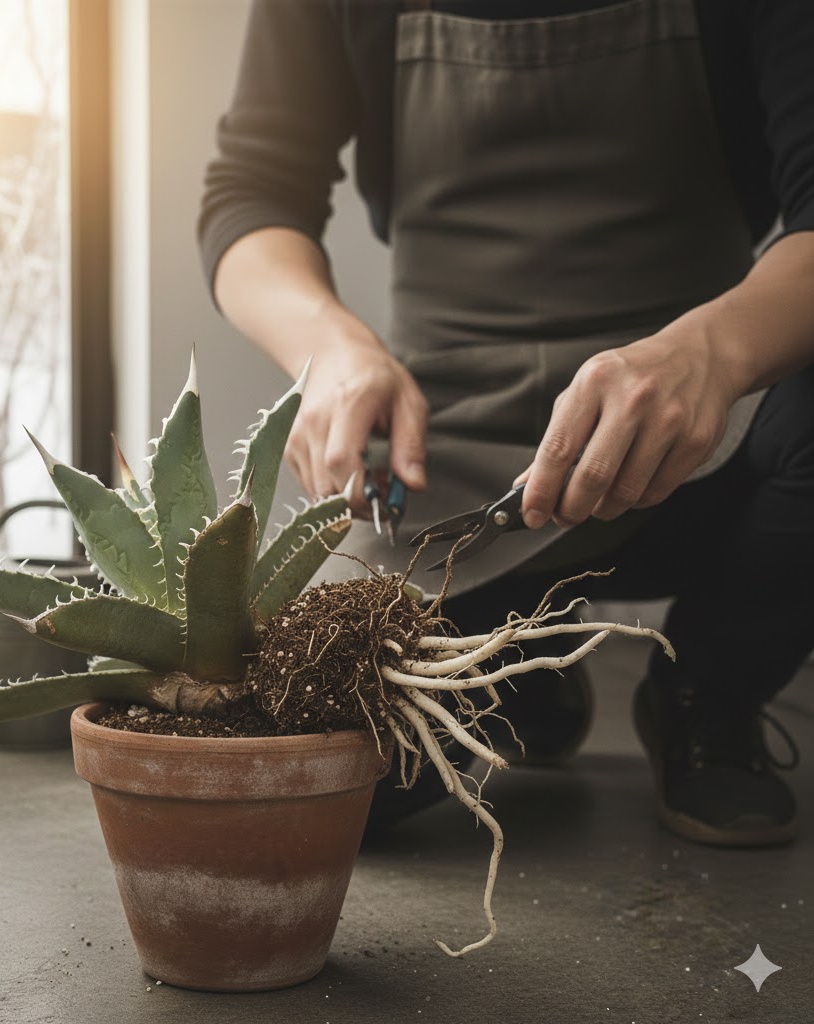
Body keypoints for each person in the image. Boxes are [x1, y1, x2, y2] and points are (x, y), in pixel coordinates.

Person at [197, 0, 814, 847]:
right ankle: (514, 675)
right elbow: (251, 191)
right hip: (440, 461)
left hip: (707, 435)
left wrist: (710, 355)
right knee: (322, 791)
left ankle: (710, 693)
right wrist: (333, 351)